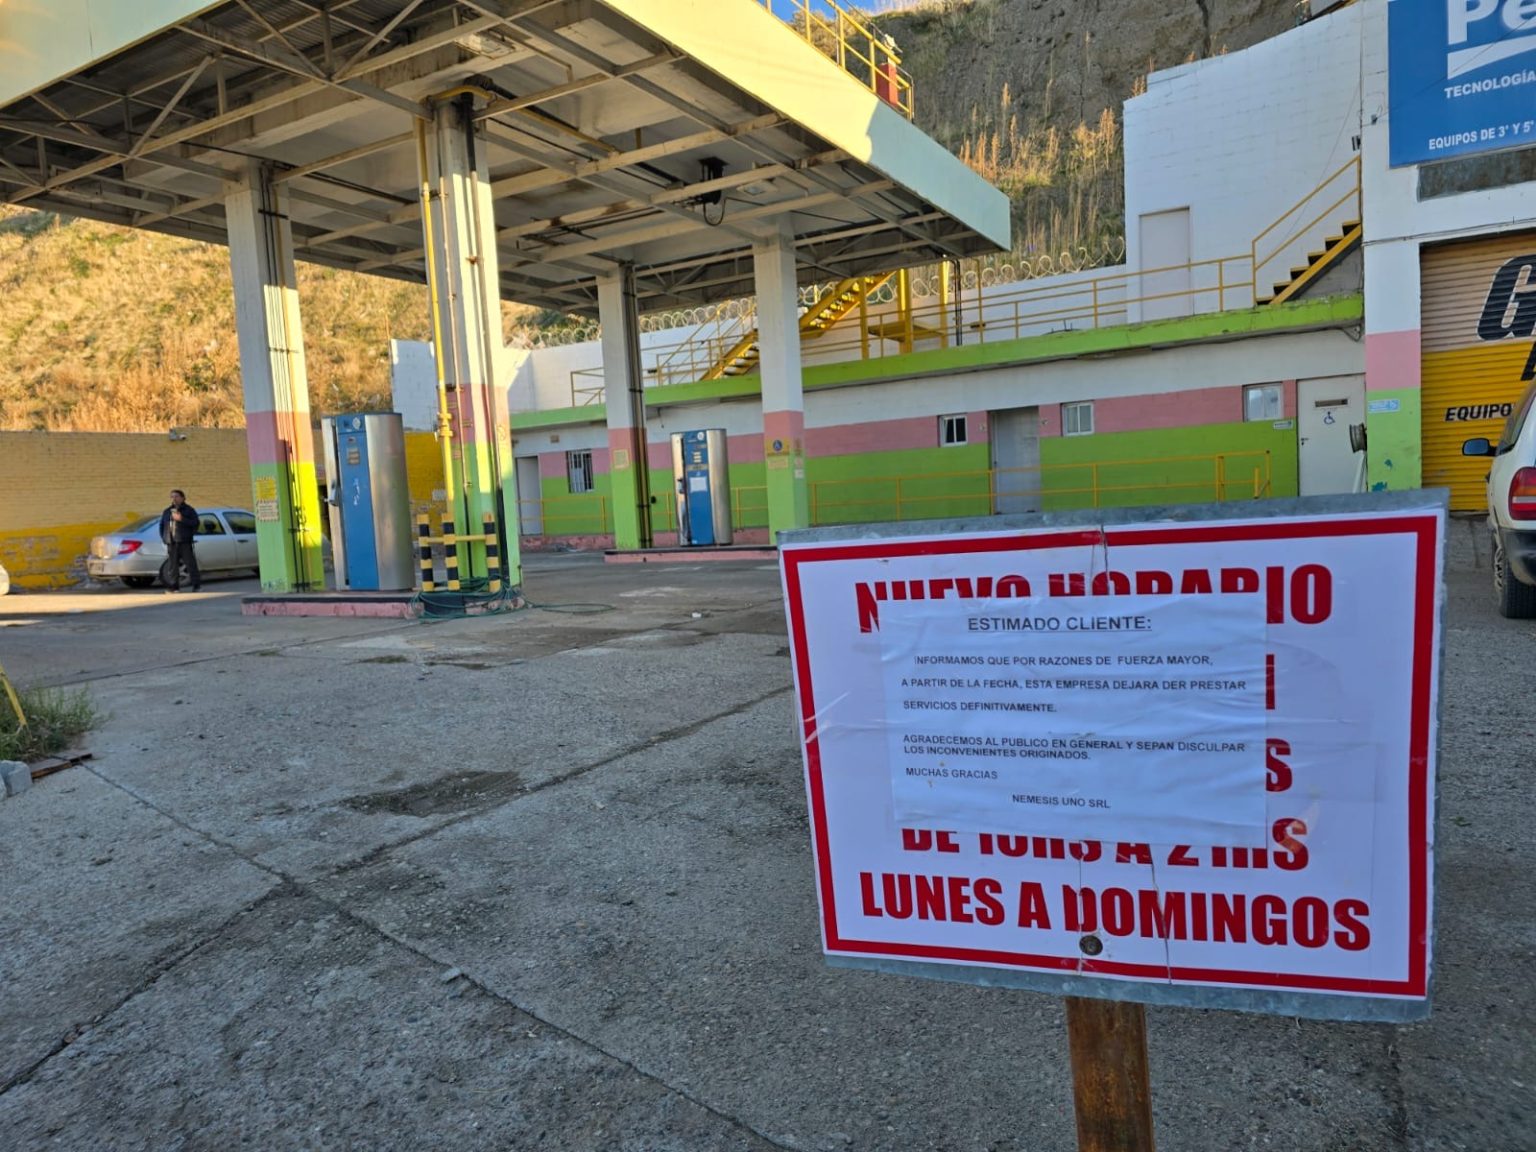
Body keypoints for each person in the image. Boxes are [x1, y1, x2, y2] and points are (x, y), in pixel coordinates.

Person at [159, 489, 201, 592]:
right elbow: (162, 526)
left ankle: (196, 586)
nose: (174, 499)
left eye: (176, 496)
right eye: (172, 496)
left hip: (184, 541)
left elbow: (195, 523)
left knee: (190, 564)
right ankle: (174, 587)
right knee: (173, 566)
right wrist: (165, 538)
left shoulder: (189, 510)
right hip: (171, 542)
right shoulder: (167, 511)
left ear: (182, 498)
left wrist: (181, 519)